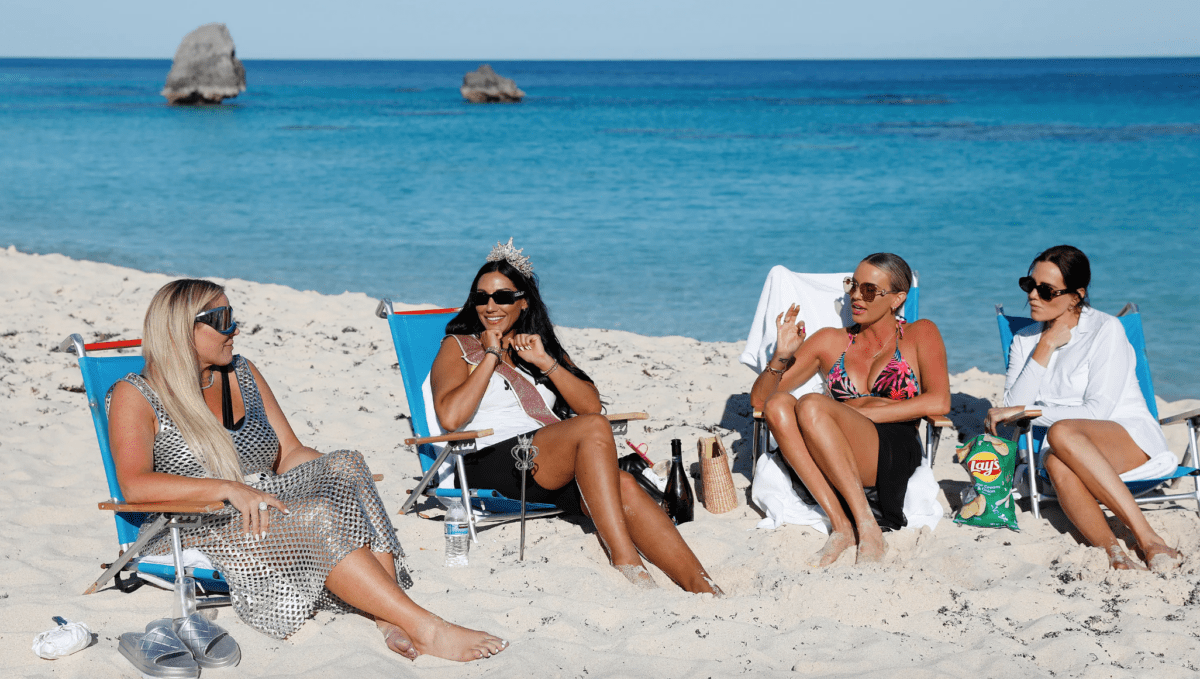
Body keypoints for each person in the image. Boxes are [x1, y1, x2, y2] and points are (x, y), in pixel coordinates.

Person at [108, 279, 506, 662]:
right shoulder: (137, 394)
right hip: (197, 525)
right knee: (317, 513)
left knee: (346, 464)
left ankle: (389, 616)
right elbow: (133, 485)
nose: (235, 328)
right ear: (182, 329)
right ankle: (425, 626)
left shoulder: (241, 373)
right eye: (222, 318)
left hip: (266, 507)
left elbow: (289, 452)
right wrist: (228, 488)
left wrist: (339, 477)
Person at [428, 239, 720, 594]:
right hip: (490, 462)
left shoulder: (534, 346)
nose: (491, 306)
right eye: (481, 297)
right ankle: (624, 557)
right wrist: (490, 355)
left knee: (624, 484)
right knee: (594, 431)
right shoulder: (458, 346)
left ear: (523, 302)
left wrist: (544, 362)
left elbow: (589, 406)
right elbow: (450, 416)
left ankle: (702, 585)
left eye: (503, 297)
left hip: (546, 463)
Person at [985, 245, 1181, 571]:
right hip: (1063, 448)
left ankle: (1148, 538)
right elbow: (1011, 407)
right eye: (1028, 285)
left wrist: (1028, 412)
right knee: (1057, 462)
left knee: (1061, 433)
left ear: (1077, 295)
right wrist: (1045, 346)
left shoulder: (1106, 330)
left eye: (1046, 290)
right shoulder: (1026, 340)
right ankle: (1114, 555)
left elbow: (1097, 411)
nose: (1033, 295)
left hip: (1126, 438)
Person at [751, 253, 950, 566]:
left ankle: (867, 528)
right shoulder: (830, 341)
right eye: (852, 285)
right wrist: (781, 355)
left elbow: (939, 401)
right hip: (835, 443)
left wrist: (861, 414)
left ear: (897, 299)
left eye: (869, 290)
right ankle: (842, 526)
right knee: (779, 403)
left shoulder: (919, 333)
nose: (856, 295)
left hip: (892, 446)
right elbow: (760, 401)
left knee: (814, 404)